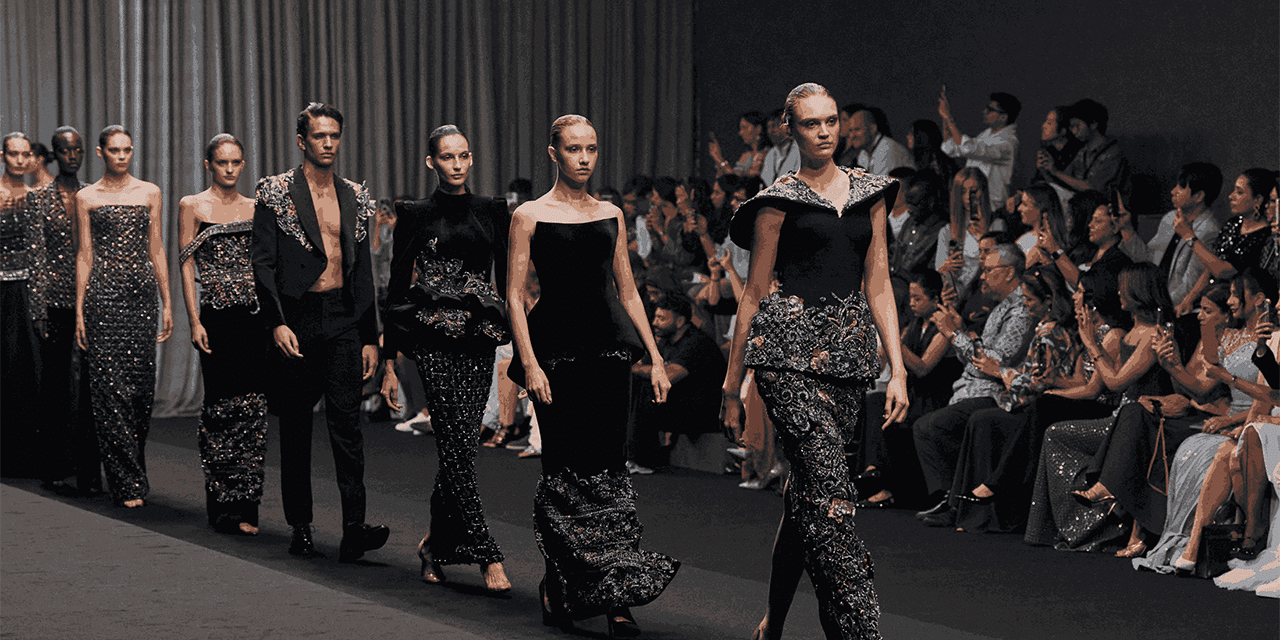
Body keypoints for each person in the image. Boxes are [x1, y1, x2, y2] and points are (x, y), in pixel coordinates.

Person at [722, 82, 908, 640]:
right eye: (811, 123)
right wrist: (732, 383)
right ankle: (855, 628)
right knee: (831, 491)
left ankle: (774, 623)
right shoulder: (777, 201)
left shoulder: (872, 192)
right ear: (790, 129)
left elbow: (879, 281)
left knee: (807, 498)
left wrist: (898, 368)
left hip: (849, 360)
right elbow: (754, 292)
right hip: (785, 358)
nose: (825, 132)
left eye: (831, 121)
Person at [507, 114, 678, 635]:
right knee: (562, 471)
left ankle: (614, 595)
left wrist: (655, 357)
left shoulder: (611, 214)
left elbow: (628, 291)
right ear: (553, 153)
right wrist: (529, 363)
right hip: (555, 355)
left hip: (609, 353)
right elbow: (514, 294)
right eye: (574, 149)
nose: (584, 158)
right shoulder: (529, 215)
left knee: (609, 470)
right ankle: (557, 582)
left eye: (592, 149)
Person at [250, 103, 388, 560]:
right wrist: (276, 322)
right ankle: (301, 526)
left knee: (348, 424)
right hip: (299, 315)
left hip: (343, 316)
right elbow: (262, 264)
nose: (328, 143)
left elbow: (362, 270)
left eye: (334, 135)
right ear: (301, 141)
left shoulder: (354, 195)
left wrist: (370, 336)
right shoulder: (276, 191)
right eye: (319, 136)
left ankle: (354, 527)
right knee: (296, 425)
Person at [377, 125, 512, 592]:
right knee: (454, 445)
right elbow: (397, 288)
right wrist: (389, 363)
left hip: (479, 338)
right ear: (431, 162)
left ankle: (434, 545)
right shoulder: (415, 213)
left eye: (463, 156)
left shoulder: (492, 210)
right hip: (433, 340)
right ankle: (487, 553)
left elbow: (508, 281)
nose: (456, 164)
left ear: (471, 159)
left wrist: (522, 345)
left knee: (462, 446)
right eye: (447, 157)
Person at [1024, 263, 1172, 552]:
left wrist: (1091, 343)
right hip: (1121, 417)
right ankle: (1065, 525)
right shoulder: (1135, 330)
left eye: (1124, 288)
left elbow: (1116, 383)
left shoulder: (1153, 334)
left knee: (1055, 433)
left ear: (1139, 291)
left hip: (1137, 423)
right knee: (1054, 432)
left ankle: (1094, 523)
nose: (1119, 293)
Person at [1132, 268, 1270, 574]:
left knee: (1209, 450)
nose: (1231, 301)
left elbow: (1269, 397)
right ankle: (1180, 541)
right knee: (1190, 447)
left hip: (1254, 419)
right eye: (1229, 294)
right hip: (1230, 421)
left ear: (1258, 299)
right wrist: (1172, 365)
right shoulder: (1229, 336)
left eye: (1236, 294)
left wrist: (1232, 421)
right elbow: (1202, 388)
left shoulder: (1270, 338)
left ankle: (1198, 546)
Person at [73, 125, 173, 507]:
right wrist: (80, 309)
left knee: (140, 389)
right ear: (101, 153)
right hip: (102, 298)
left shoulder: (149, 192)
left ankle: (133, 468)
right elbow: (85, 254)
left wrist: (167, 301)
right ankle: (125, 482)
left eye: (127, 150)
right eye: (114, 150)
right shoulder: (87, 197)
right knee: (108, 390)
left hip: (141, 298)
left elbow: (157, 247)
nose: (121, 156)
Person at [177, 133, 269, 535]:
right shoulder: (192, 206)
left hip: (253, 319)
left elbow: (266, 265)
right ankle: (221, 504)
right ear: (208, 165)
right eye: (222, 162)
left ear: (243, 165)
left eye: (235, 162)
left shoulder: (256, 208)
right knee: (219, 411)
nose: (229, 169)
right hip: (215, 317)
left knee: (252, 410)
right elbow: (185, 265)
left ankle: (248, 507)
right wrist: (194, 320)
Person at [913, 243, 1037, 526]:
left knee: (930, 426)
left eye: (989, 270)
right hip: (972, 388)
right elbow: (976, 354)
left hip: (996, 393)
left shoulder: (1021, 310)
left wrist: (952, 334)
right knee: (927, 424)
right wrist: (960, 331)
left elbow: (994, 360)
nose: (982, 276)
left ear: (1009, 272)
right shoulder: (1002, 306)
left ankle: (951, 499)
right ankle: (950, 497)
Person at [26, 127, 100, 494]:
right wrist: (38, 306)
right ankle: (54, 465)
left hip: (91, 297)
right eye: (66, 150)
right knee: (55, 384)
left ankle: (89, 471)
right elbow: (36, 255)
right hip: (55, 299)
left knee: (91, 386)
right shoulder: (39, 198)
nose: (73, 156)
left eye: (78, 150)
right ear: (56, 154)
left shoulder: (93, 194)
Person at [857, 268, 963, 509]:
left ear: (935, 299)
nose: (912, 303)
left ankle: (883, 482)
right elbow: (885, 360)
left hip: (934, 399)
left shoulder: (943, 327)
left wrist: (895, 342)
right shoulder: (914, 325)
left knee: (894, 410)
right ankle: (873, 471)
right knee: (875, 400)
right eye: (911, 298)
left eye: (918, 298)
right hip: (914, 395)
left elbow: (923, 367)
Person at [1175, 168, 1278, 318]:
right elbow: (1210, 268)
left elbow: (1222, 270)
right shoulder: (1233, 224)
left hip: (1240, 305)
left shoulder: (1264, 234)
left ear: (1258, 200)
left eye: (1239, 192)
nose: (1231, 196)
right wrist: (1189, 299)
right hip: (1213, 298)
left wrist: (1189, 236)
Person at [0, 132, 41, 478]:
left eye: (25, 154)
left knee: (25, 369)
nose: (19, 160)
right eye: (13, 154)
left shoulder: (34, 198)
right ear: (2, 156)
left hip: (27, 291)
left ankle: (24, 453)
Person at [1147, 163, 1223, 316]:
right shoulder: (1170, 218)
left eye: (1181, 187)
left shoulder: (1209, 230)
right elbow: (1148, 260)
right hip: (1153, 302)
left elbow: (1190, 283)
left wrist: (1159, 308)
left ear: (1198, 196)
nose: (1173, 191)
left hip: (1175, 310)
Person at [938, 88, 1020, 209]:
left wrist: (949, 117)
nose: (984, 111)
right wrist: (945, 118)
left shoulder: (1008, 142)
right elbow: (953, 147)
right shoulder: (986, 134)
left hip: (992, 206)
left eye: (990, 110)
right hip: (974, 200)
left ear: (1003, 117)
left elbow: (969, 148)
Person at [1042, 99, 1131, 198]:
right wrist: (1047, 169)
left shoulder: (1112, 154)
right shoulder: (1083, 152)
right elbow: (1065, 181)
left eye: (1077, 126)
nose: (1074, 131)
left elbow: (1093, 188)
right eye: (1071, 127)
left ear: (1093, 124)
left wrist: (1055, 172)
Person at [846, 106, 912, 175]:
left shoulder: (888, 149)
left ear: (872, 129)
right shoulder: (863, 153)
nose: (852, 136)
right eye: (850, 130)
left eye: (857, 129)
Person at [709, 111, 768, 178]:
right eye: (740, 129)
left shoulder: (766, 154)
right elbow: (729, 180)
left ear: (758, 129)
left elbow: (737, 180)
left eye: (744, 127)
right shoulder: (746, 156)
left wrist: (719, 160)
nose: (740, 133)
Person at [906, 119, 958, 189]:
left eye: (911, 133)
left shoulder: (935, 164)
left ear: (921, 136)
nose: (907, 136)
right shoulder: (925, 160)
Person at [760, 108, 800, 186]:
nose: (770, 131)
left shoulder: (800, 151)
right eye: (768, 127)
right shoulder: (771, 153)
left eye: (774, 126)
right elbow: (765, 182)